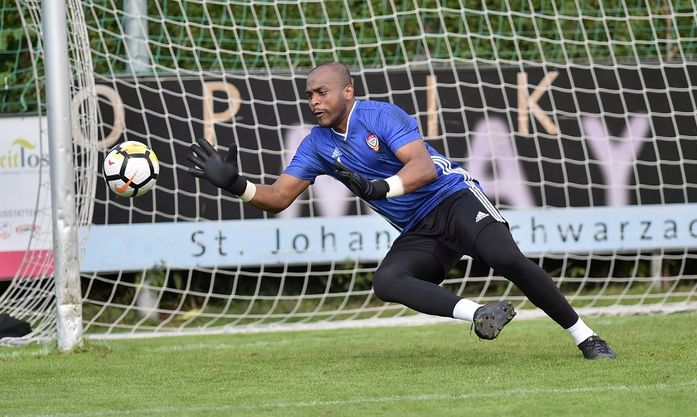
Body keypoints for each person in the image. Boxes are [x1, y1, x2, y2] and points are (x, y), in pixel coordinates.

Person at [188, 61, 616, 360]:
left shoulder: (380, 115)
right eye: (309, 95)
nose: (314, 101)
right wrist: (235, 185)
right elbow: (279, 197)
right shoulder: (316, 144)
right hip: (419, 227)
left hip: (454, 200)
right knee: (388, 281)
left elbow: (424, 167)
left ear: (347, 92)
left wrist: (379, 187)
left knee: (506, 259)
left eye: (322, 92)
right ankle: (479, 314)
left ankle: (586, 338)